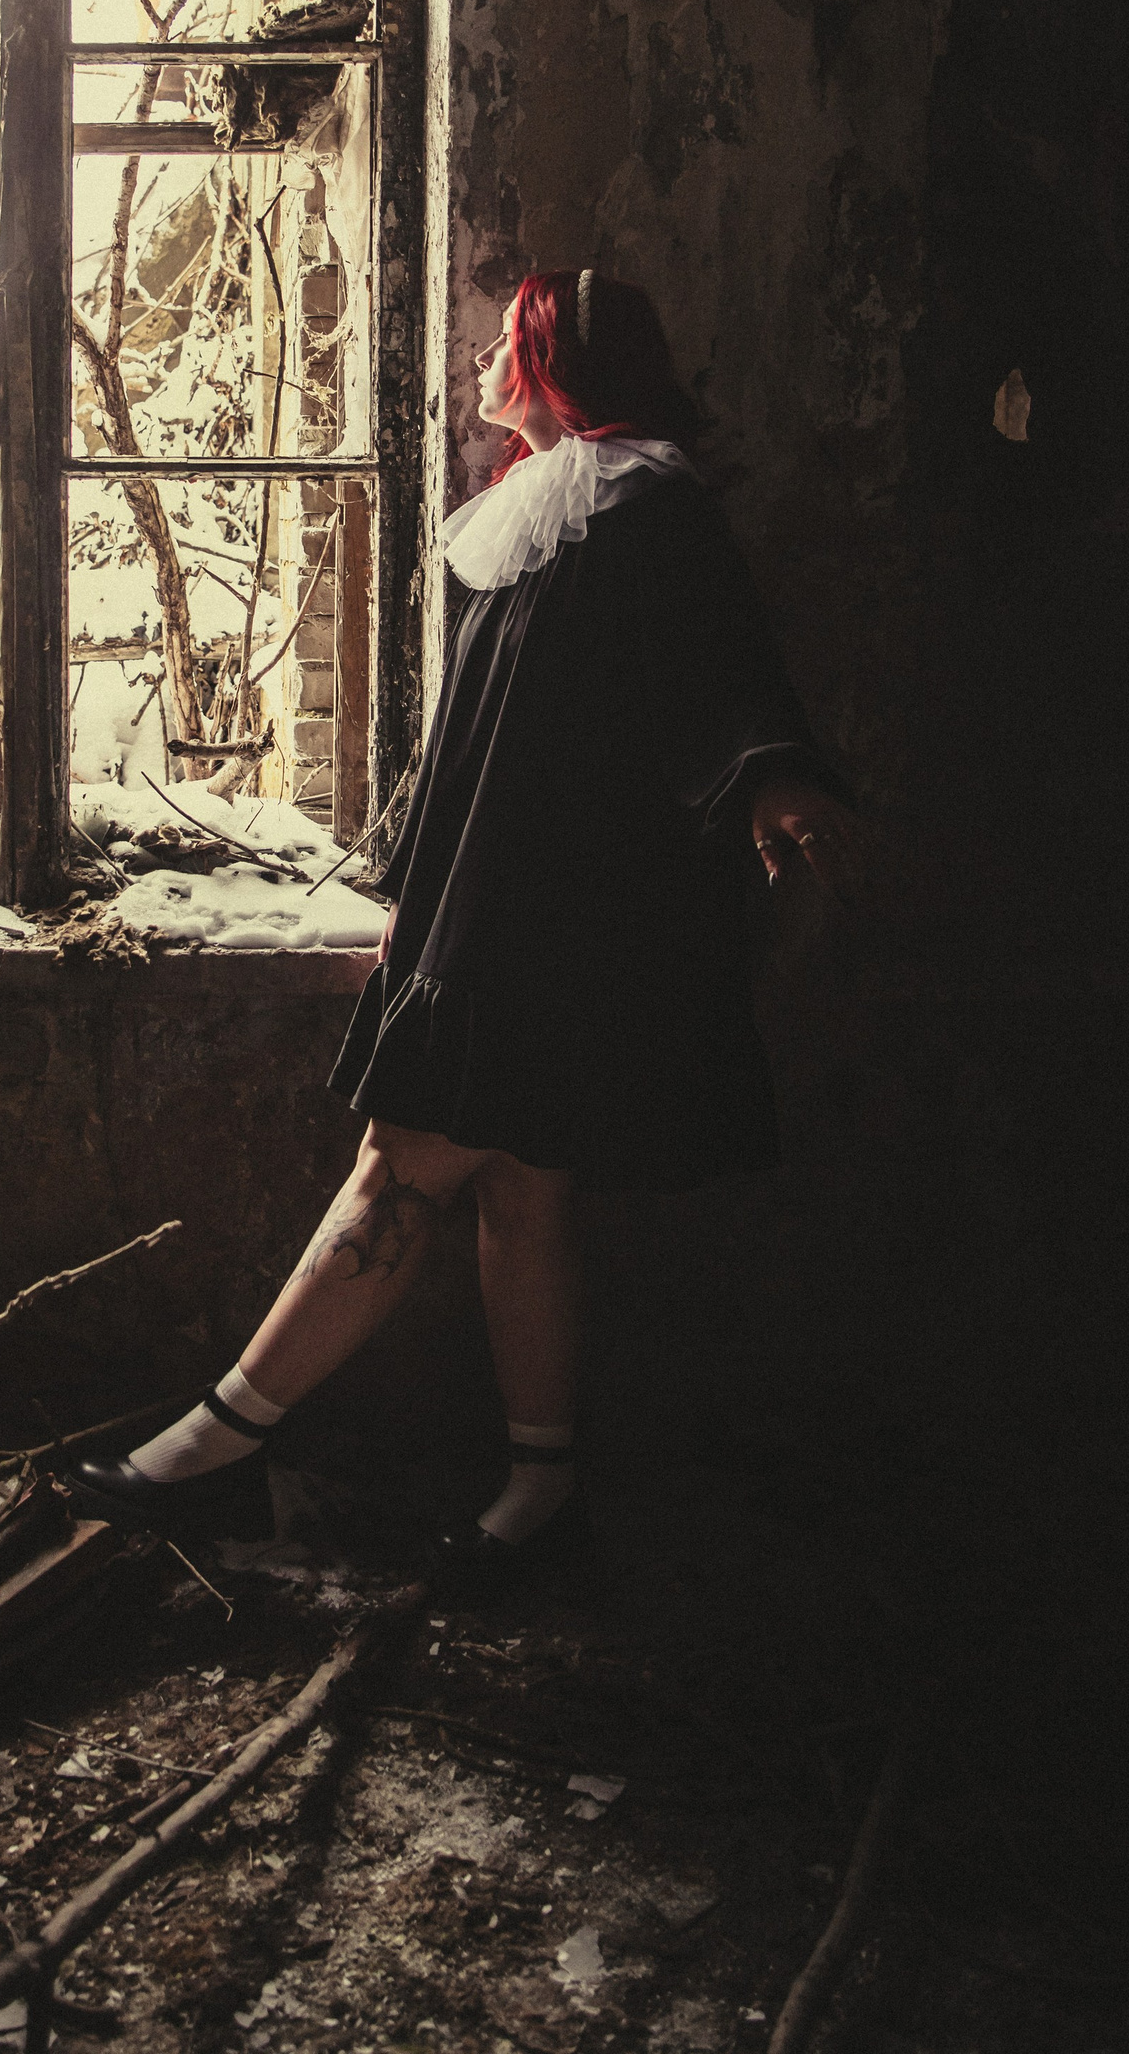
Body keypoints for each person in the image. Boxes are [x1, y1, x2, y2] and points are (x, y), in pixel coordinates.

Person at [71, 267, 860, 1593]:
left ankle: (216, 1450)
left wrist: (775, 780)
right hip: (502, 897)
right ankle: (543, 1491)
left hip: (564, 913)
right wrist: (415, 894)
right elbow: (477, 743)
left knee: (401, 1167)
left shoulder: (651, 505)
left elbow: (727, 672)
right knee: (523, 1189)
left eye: (508, 339)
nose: (486, 357)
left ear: (555, 363)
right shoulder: (545, 503)